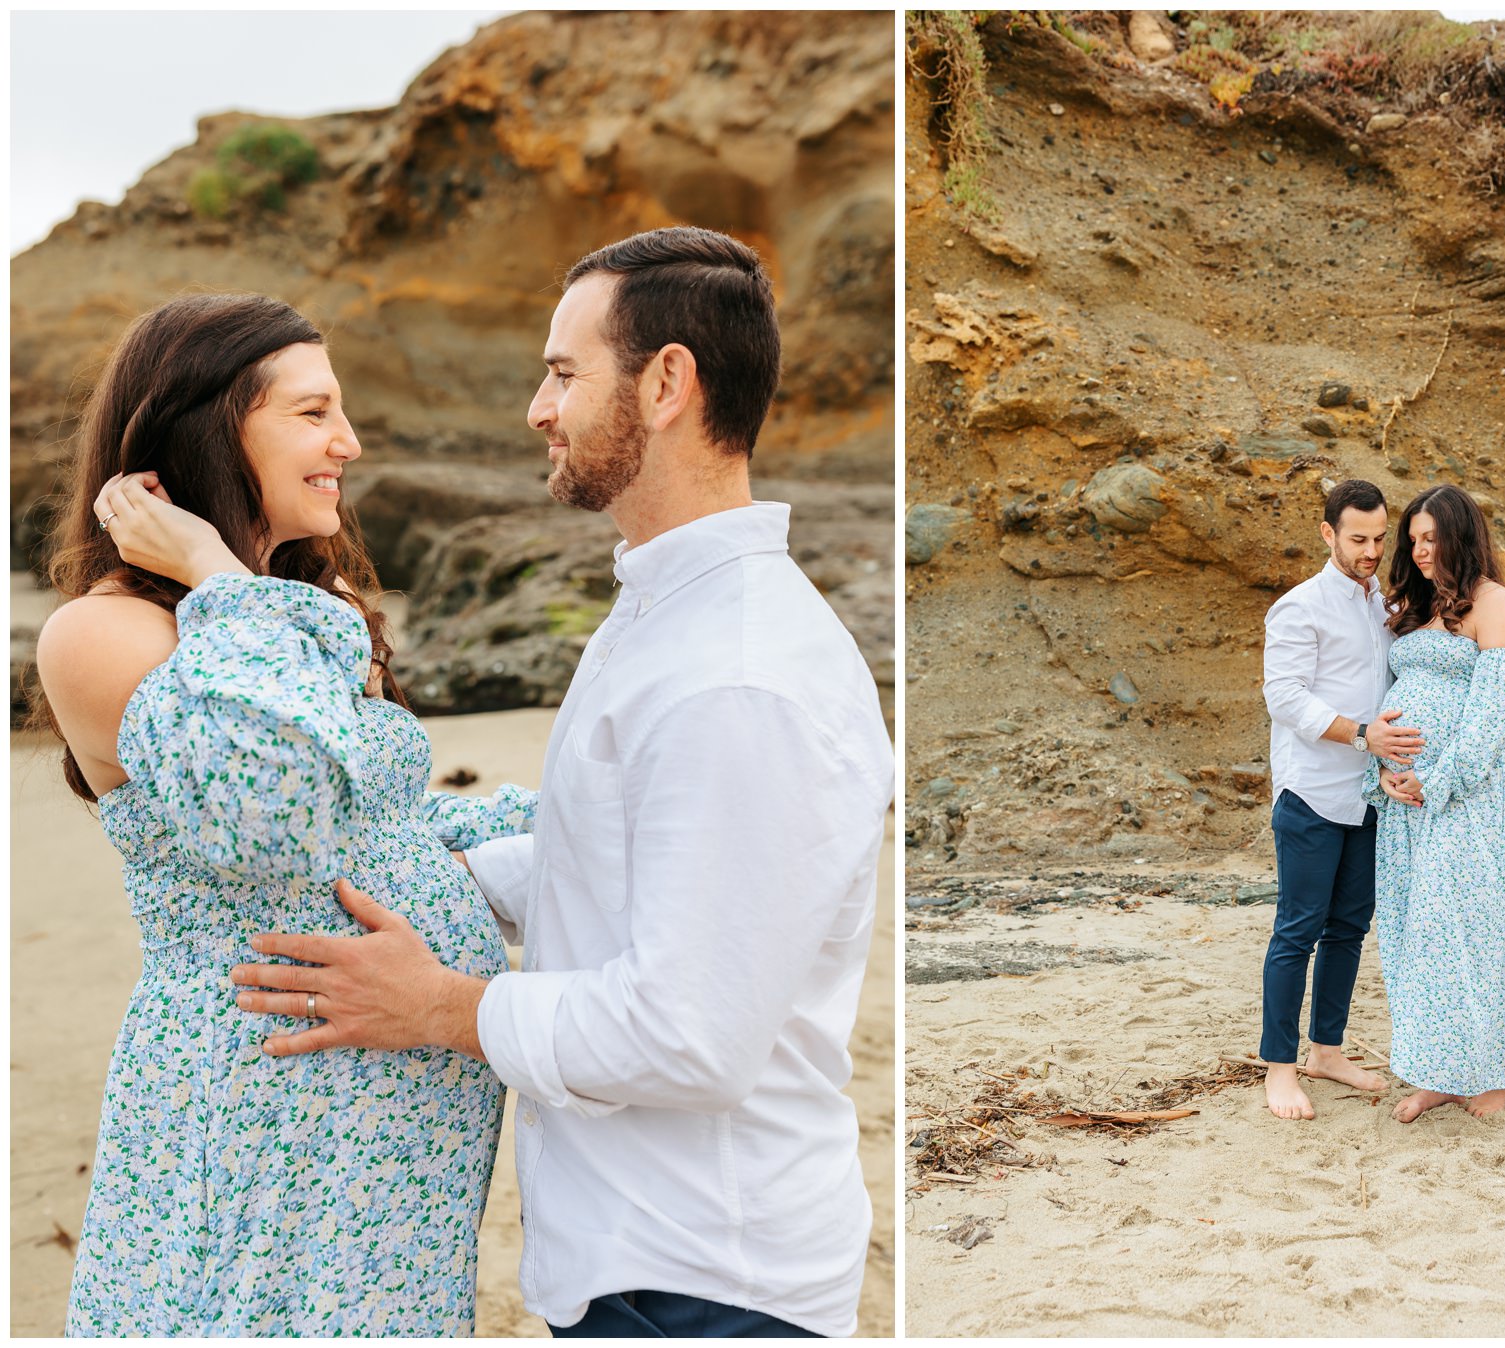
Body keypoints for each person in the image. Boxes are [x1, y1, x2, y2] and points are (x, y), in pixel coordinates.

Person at [231, 227, 895, 1338]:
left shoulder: (738, 673)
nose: (540, 408)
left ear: (669, 381)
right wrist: (434, 873)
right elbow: (615, 867)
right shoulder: (661, 616)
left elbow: (689, 1031)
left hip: (707, 1283)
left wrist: (439, 1005)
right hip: (642, 1264)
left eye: (563, 372)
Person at [33, 293, 534, 1335]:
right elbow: (277, 815)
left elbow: (375, 829)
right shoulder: (103, 635)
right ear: (214, 426)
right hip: (265, 1103)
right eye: (313, 414)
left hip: (390, 1129)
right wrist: (218, 574)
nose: (346, 443)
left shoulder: (300, 611)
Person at [1368, 484, 1505, 1121]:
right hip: (1404, 806)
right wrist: (1384, 777)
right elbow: (1387, 697)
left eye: (1431, 538)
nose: (1418, 551)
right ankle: (1438, 1073)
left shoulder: (1492, 602)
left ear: (1459, 535)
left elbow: (1500, 709)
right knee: (1417, 939)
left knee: (1470, 931)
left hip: (1467, 800)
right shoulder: (1412, 606)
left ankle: (1490, 1078)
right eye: (1412, 540)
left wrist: (1437, 781)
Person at [1258, 479, 1425, 1121]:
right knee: (1297, 931)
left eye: (1380, 539)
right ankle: (1279, 1069)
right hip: (1311, 792)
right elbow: (1286, 698)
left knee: (1349, 928)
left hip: (1367, 796)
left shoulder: (1382, 601)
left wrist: (1382, 757)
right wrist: (1361, 735)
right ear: (1328, 534)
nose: (1371, 550)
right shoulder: (1298, 607)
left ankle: (1326, 1050)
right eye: (1358, 539)